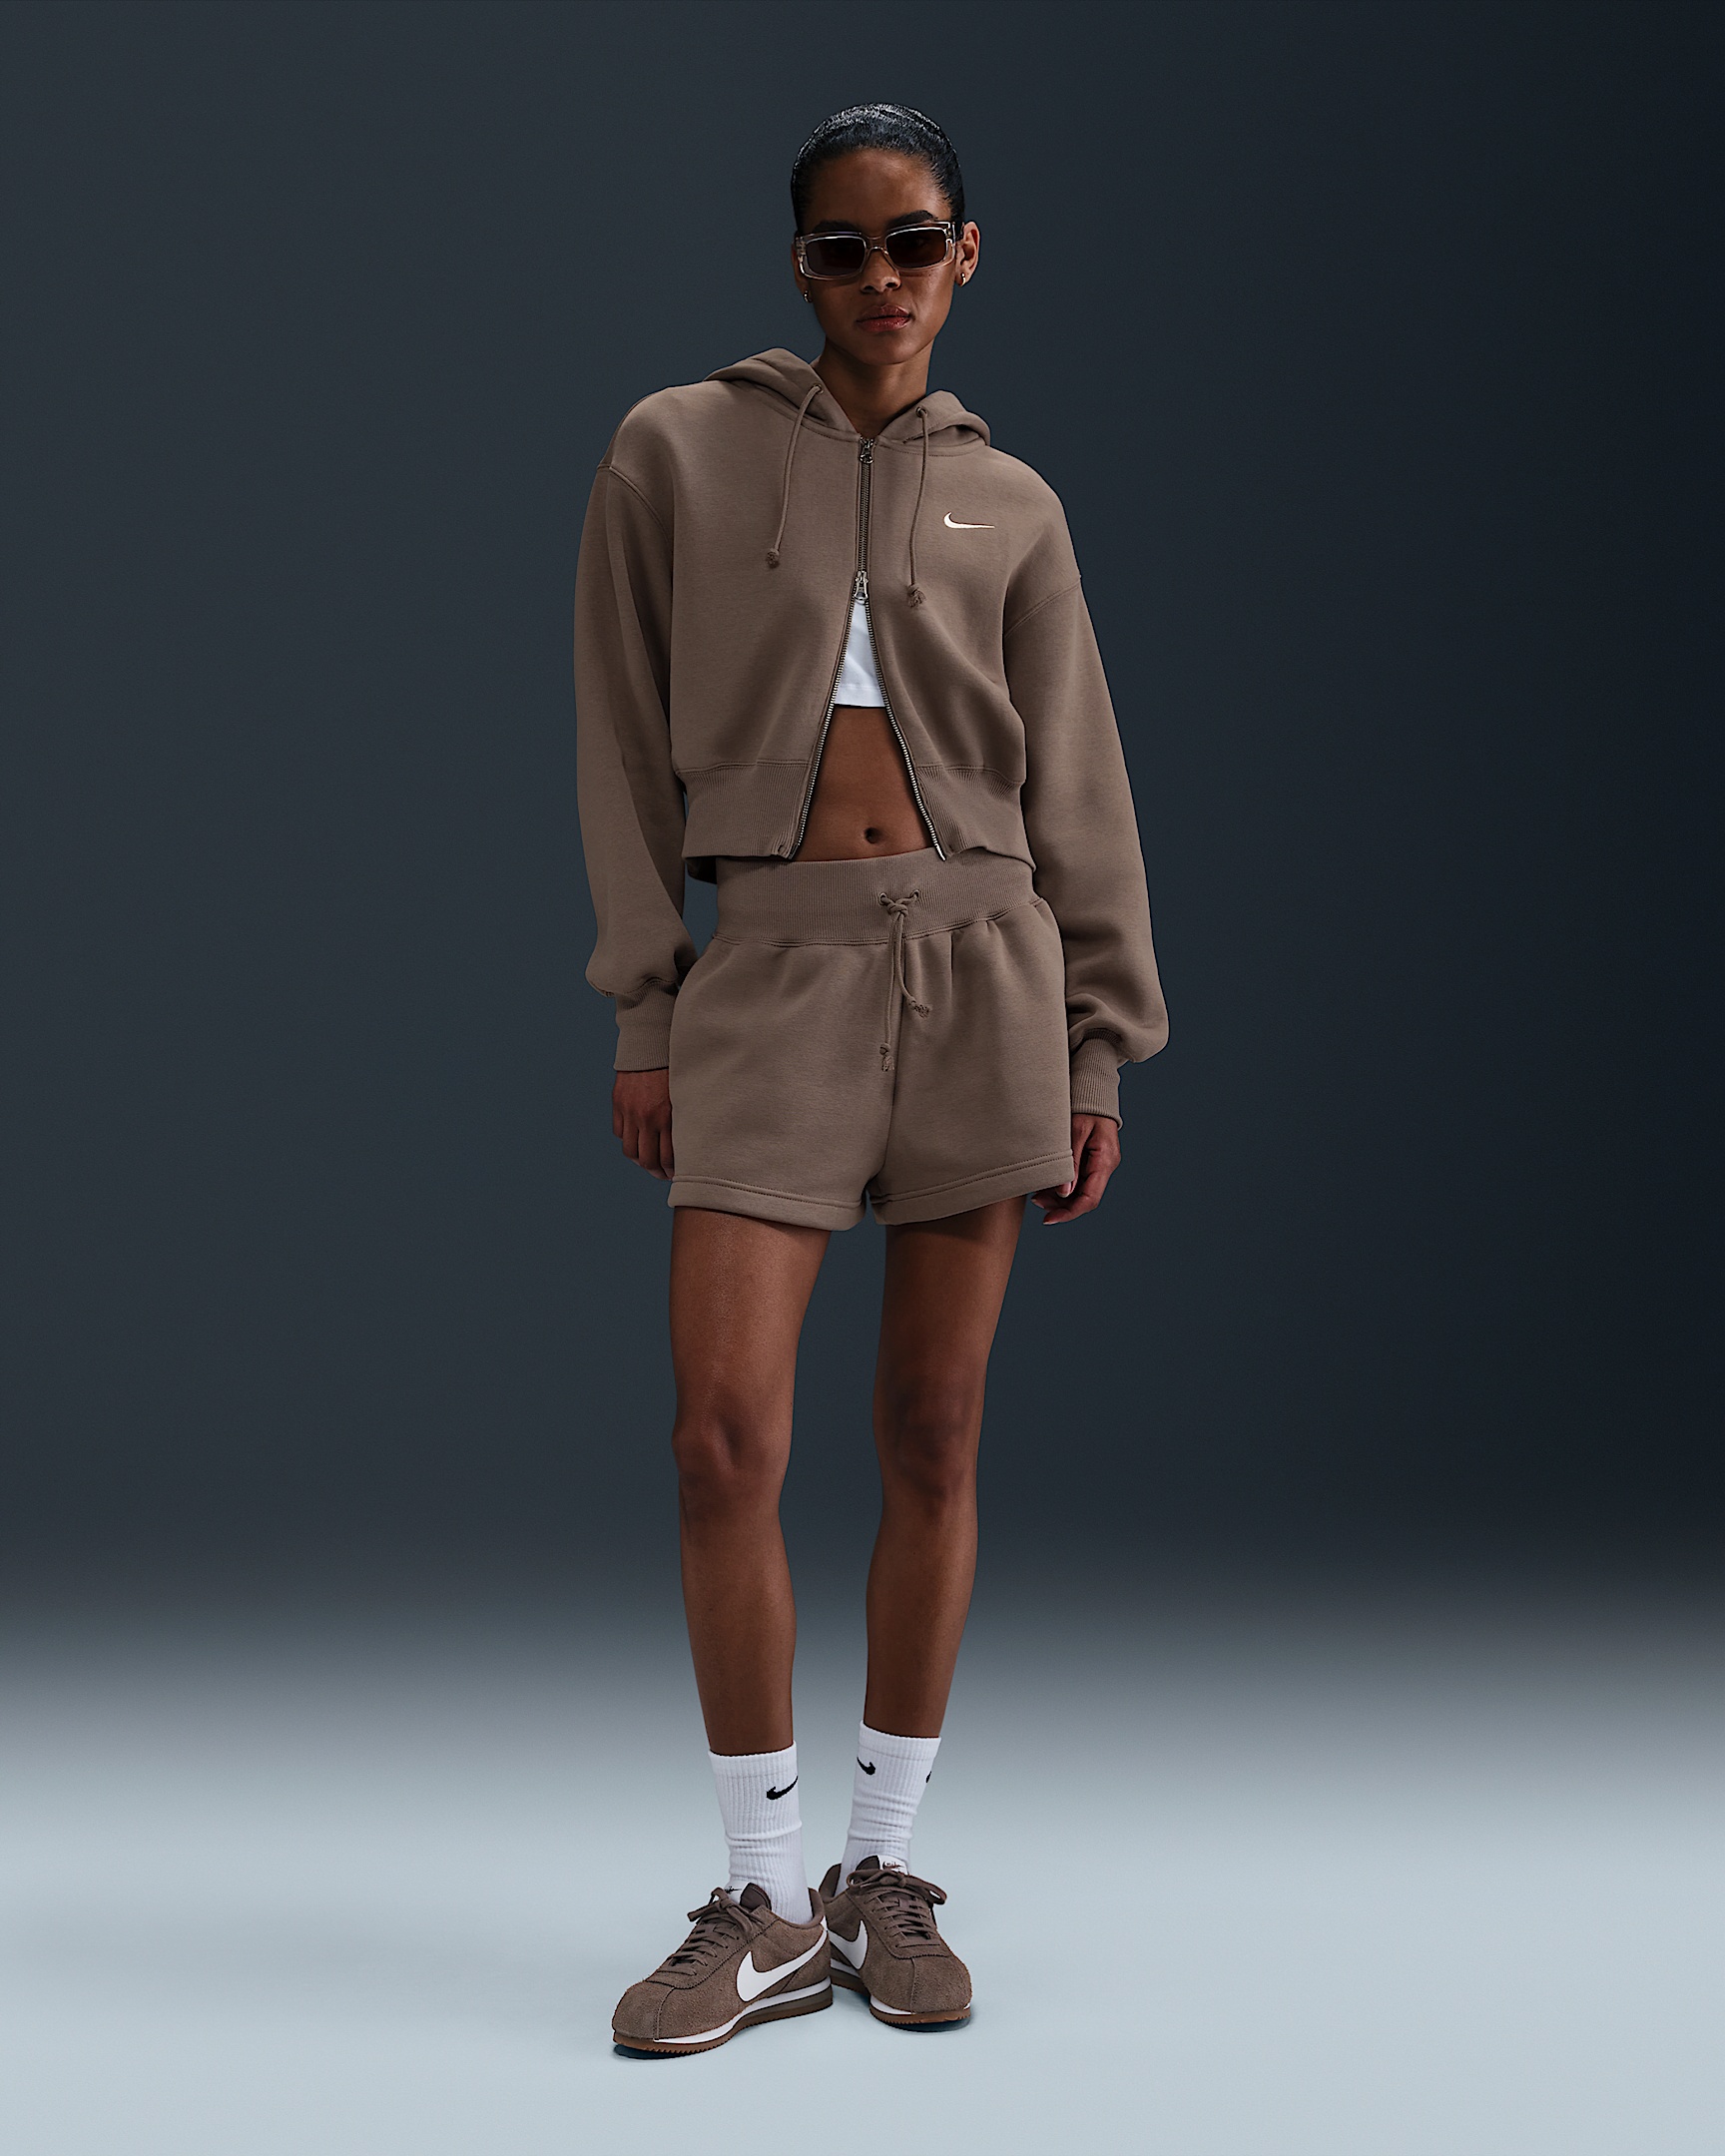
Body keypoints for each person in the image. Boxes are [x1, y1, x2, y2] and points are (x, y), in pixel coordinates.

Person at [576, 104, 1167, 2054]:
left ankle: (878, 1870)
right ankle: (758, 1900)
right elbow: (617, 743)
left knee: (933, 1432)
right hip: (773, 974)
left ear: (966, 254)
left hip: (987, 976)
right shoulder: (675, 448)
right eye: (843, 248)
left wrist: (1098, 1038)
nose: (883, 280)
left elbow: (1080, 782)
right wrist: (647, 1003)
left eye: (915, 243)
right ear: (798, 263)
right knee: (720, 1440)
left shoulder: (1017, 505)